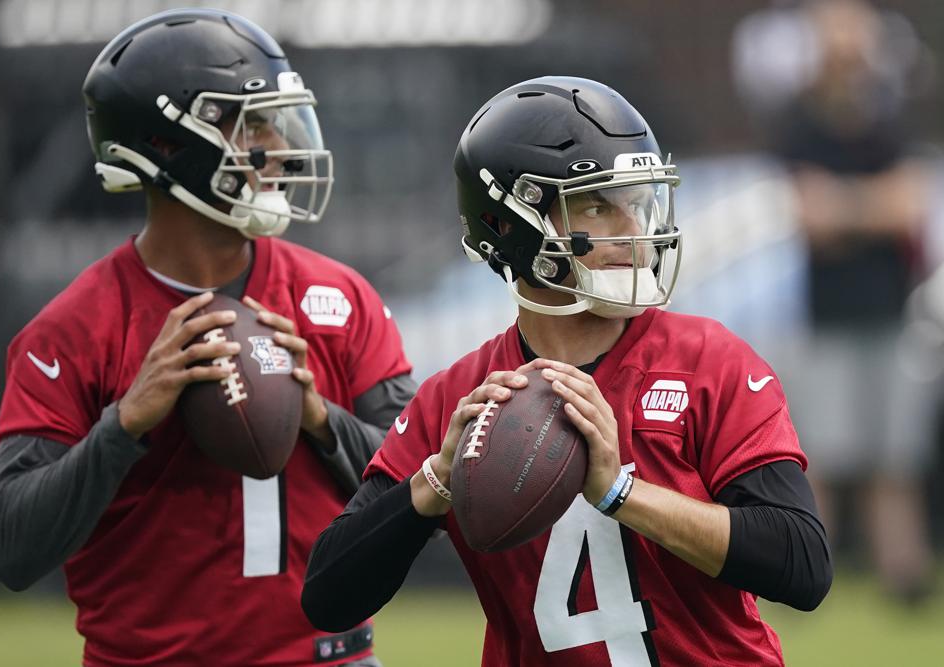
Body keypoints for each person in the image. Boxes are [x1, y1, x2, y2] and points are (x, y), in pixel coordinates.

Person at [302, 77, 832, 666]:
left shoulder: (709, 361)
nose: (633, 231)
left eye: (635, 202)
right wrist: (436, 480)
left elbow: (802, 563)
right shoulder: (460, 398)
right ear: (509, 225)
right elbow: (327, 595)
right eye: (599, 206)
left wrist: (620, 494)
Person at [0, 9, 413, 666]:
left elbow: (422, 493)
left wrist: (322, 421)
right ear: (169, 144)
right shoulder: (74, 328)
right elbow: (11, 546)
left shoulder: (341, 299)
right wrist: (124, 424)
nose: (280, 144)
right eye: (253, 125)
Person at [768, 0, 935, 603]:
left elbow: (908, 205)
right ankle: (810, 577)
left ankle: (906, 579)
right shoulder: (798, 122)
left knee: (895, 457)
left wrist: (847, 206)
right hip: (828, 321)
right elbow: (812, 215)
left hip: (890, 314)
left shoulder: (891, 115)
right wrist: (874, 206)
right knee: (825, 456)